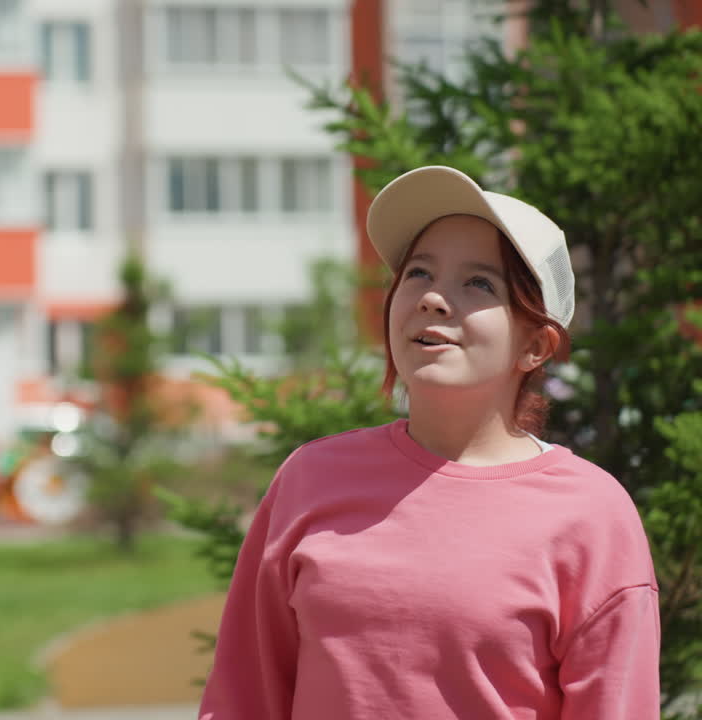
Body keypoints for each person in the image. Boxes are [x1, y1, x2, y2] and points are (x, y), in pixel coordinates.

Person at [199, 166, 659, 719]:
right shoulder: (309, 478)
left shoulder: (592, 514)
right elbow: (242, 697)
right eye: (418, 273)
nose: (434, 298)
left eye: (479, 283)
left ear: (535, 345)